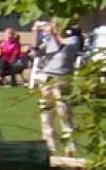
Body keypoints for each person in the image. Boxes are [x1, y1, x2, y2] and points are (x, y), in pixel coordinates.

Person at [35, 22, 83, 156]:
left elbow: (63, 49)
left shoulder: (74, 39)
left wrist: (54, 33)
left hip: (62, 78)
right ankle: (49, 147)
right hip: (47, 77)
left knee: (64, 112)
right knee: (46, 114)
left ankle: (70, 146)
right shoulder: (50, 38)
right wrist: (37, 33)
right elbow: (37, 51)